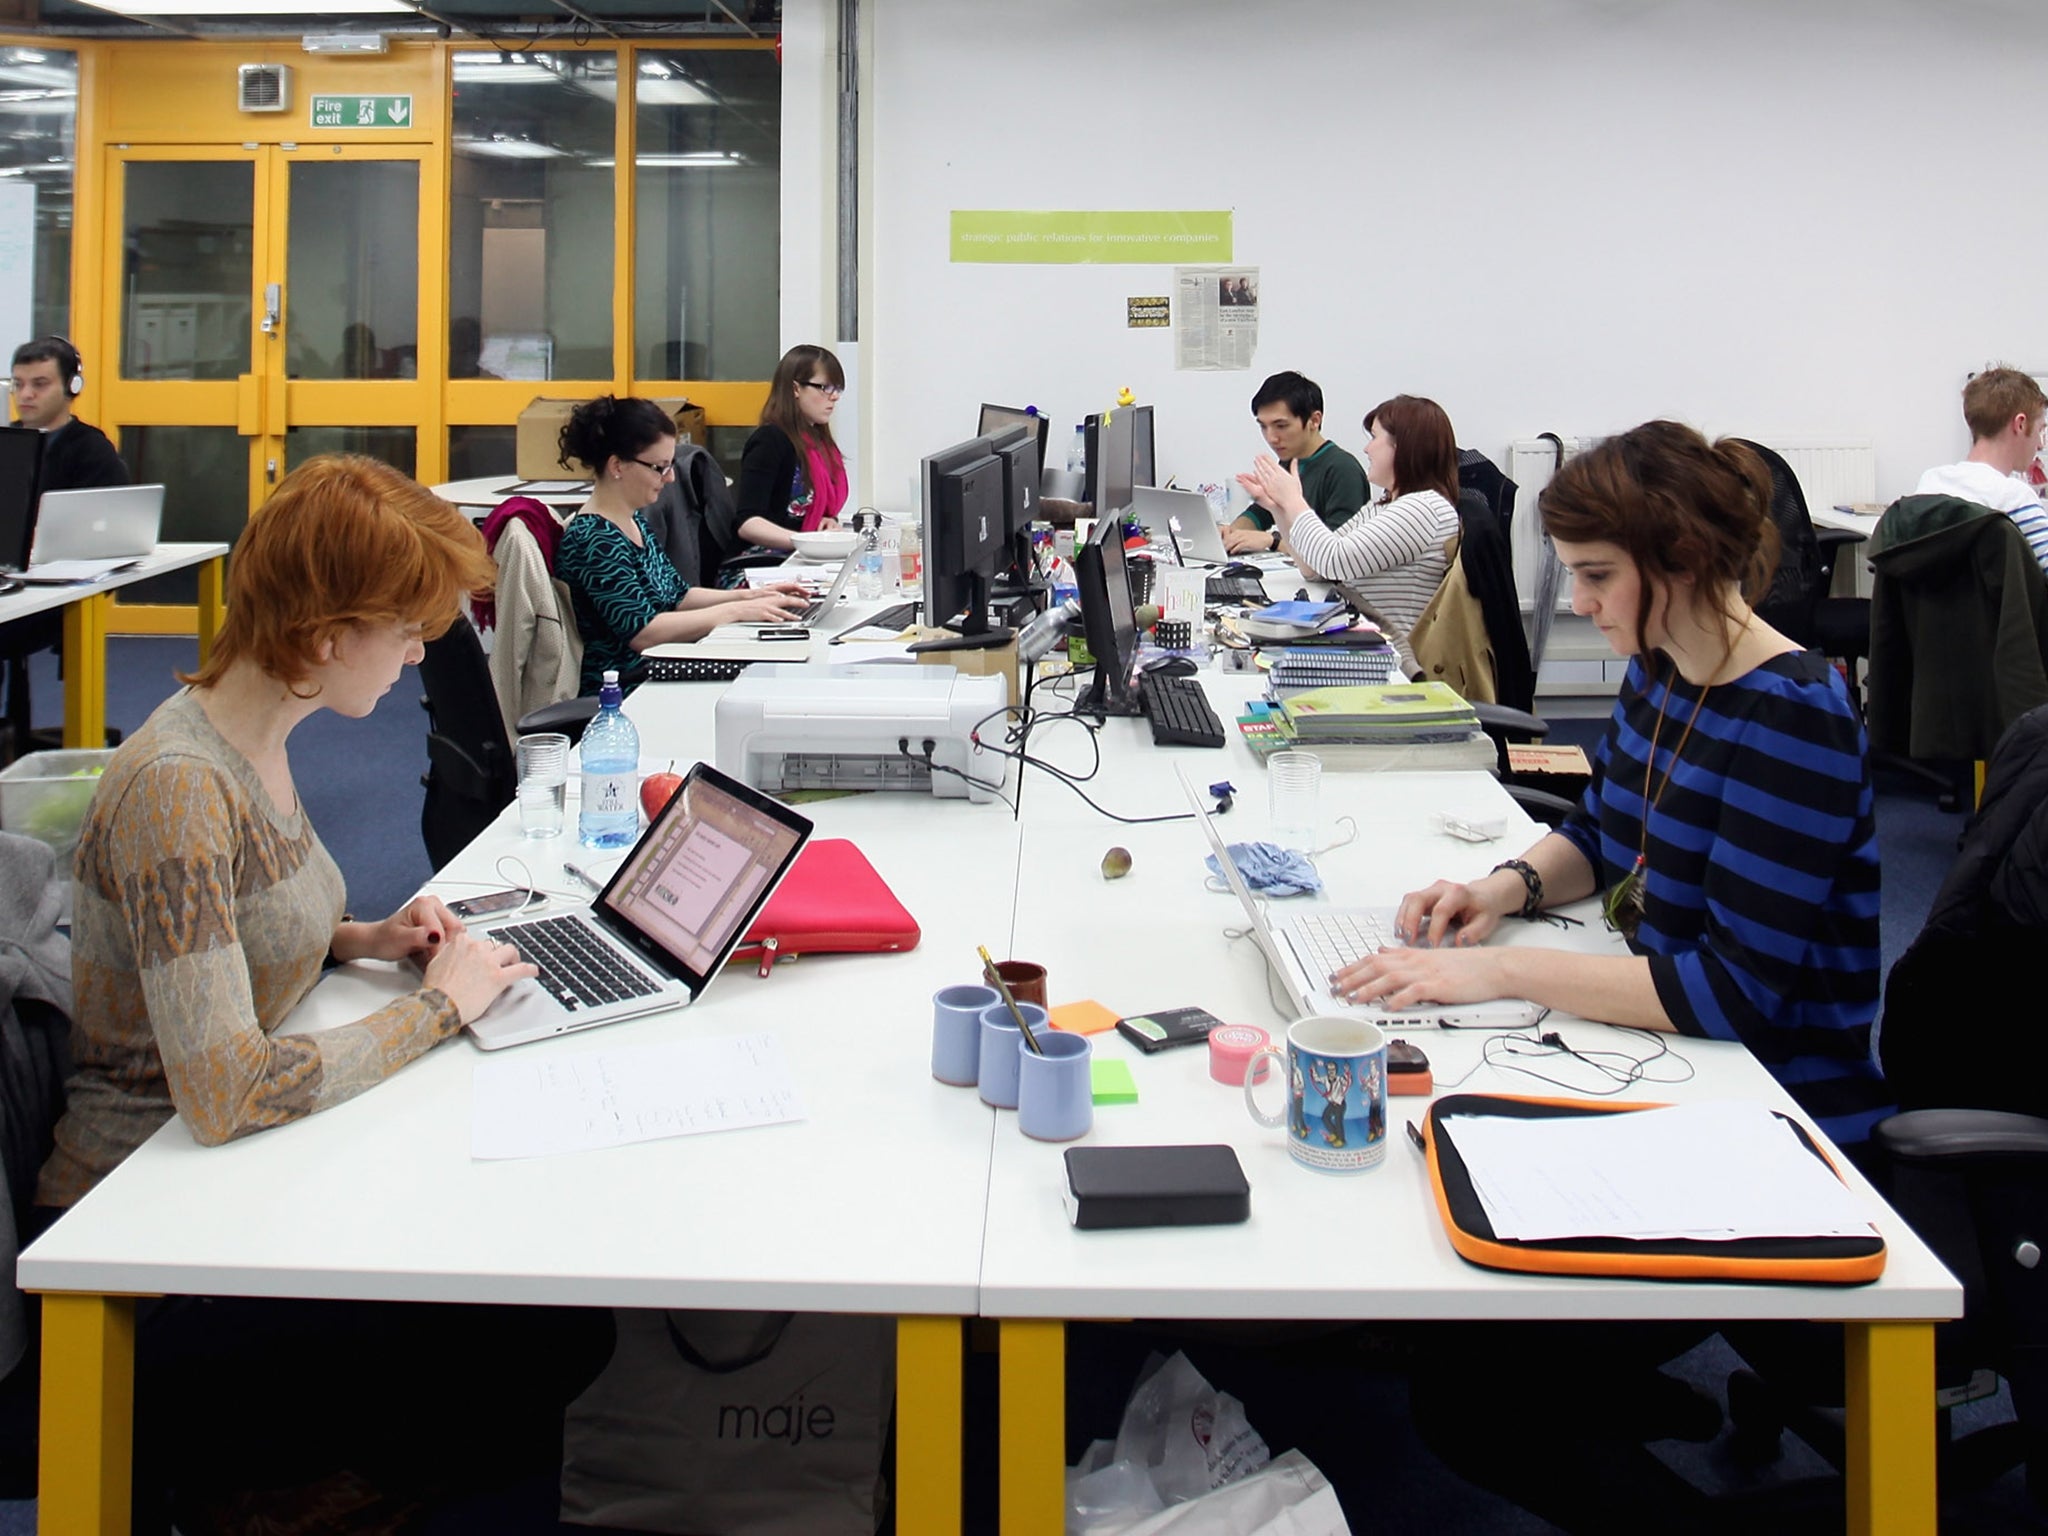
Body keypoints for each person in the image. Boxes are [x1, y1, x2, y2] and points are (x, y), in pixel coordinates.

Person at [1332, 420, 1891, 1149]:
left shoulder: (1791, 716)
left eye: (1598, 575)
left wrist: (1505, 972)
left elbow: (1734, 994)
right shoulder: (1661, 666)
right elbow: (1600, 832)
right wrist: (1499, 890)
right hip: (1678, 1049)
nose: (1580, 602)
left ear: (1684, 561)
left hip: (1776, 1100)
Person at [35, 455, 537, 1207]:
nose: (417, 653)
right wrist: (438, 1009)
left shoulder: (254, 736)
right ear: (328, 636)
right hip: (135, 1205)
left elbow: (220, 930)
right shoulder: (179, 788)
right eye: (404, 629)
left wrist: (360, 937)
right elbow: (226, 1094)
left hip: (234, 1168)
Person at [552, 395, 807, 695]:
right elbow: (644, 633)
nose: (670, 478)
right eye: (659, 467)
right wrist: (735, 613)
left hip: (654, 669)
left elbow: (679, 596)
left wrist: (751, 597)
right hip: (627, 688)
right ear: (617, 466)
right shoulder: (594, 539)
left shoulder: (633, 522)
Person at [1241, 393, 1461, 668]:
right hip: (1365, 638)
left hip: (1393, 657)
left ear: (1403, 446)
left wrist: (1294, 501)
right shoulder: (1386, 504)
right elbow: (1314, 567)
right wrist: (1276, 508)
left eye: (1375, 437)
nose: (1367, 449)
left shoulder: (1422, 509)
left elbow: (1335, 561)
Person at [721, 343, 850, 566]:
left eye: (837, 389)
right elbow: (748, 522)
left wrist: (827, 522)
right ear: (796, 389)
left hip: (800, 558)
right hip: (762, 564)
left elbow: (810, 512)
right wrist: (805, 541)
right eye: (824, 388)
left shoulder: (819, 443)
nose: (834, 397)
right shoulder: (770, 440)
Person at [1914, 364, 2048, 576]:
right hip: (2000, 609)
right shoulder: (2014, 498)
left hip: (1932, 609)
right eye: (2041, 430)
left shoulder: (1931, 482)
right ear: (2020, 425)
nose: (2040, 445)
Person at [1222, 371, 1367, 555]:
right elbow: (1262, 512)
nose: (1271, 437)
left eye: (1281, 426)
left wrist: (1272, 541)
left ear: (1314, 420)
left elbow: (1339, 549)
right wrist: (1232, 533)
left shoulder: (1343, 470)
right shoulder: (1290, 461)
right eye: (1263, 426)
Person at [8, 335, 129, 491]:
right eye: (18, 384)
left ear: (71, 386)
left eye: (40, 384)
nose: (25, 394)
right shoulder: (7, 441)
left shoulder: (93, 451)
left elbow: (110, 512)